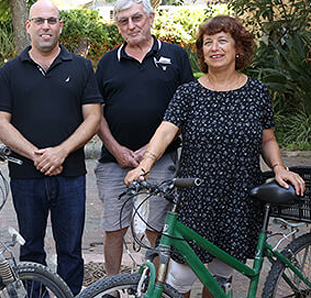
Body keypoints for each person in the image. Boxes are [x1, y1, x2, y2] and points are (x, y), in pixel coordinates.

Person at [125, 15, 305, 298]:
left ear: (238, 49)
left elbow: (267, 138)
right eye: (208, 42)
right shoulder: (188, 93)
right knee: (178, 279)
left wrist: (279, 167)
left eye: (222, 41)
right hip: (195, 197)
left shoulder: (256, 92)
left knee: (218, 280)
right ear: (203, 53)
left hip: (238, 197)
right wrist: (145, 164)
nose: (214, 47)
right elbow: (165, 131)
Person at [0, 0, 102, 295]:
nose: (45, 26)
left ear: (60, 26)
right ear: (28, 26)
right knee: (30, 251)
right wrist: (36, 154)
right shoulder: (11, 71)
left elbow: (93, 118)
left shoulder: (80, 67)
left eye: (52, 21)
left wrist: (60, 152)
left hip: (71, 175)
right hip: (26, 176)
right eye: (39, 20)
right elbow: (0, 123)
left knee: (70, 251)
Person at [94, 0, 195, 279]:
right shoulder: (107, 62)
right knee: (114, 228)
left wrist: (150, 151)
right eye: (123, 21)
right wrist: (117, 150)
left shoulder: (176, 56)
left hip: (162, 160)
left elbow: (186, 109)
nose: (131, 25)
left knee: (158, 229)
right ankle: (112, 286)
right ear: (118, 26)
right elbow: (96, 113)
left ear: (150, 18)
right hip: (115, 161)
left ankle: (161, 286)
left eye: (137, 18)